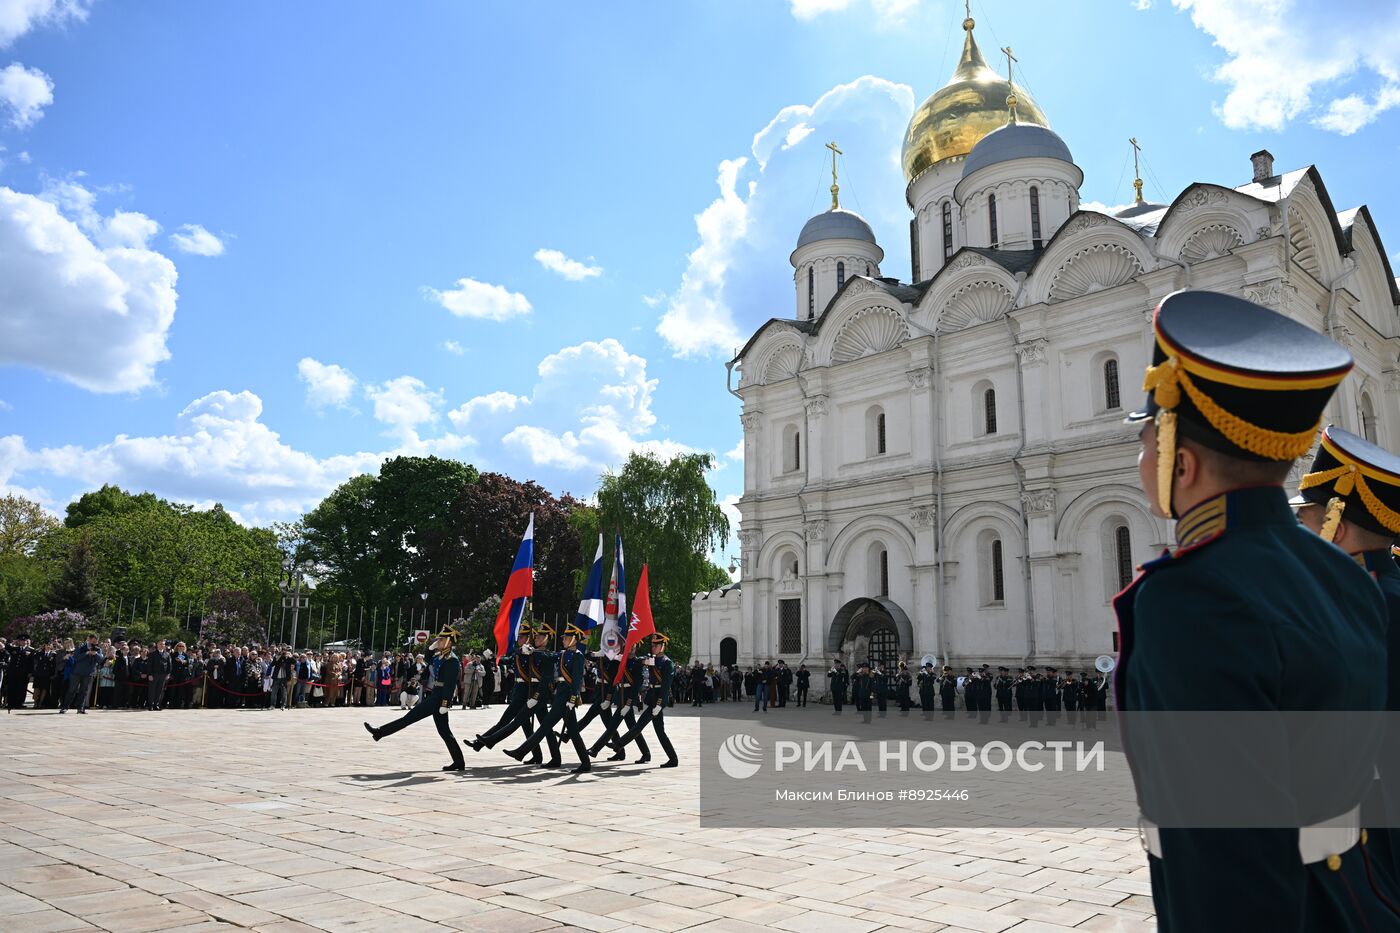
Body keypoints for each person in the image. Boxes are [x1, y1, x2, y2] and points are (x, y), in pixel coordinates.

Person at [1115, 290, 1397, 930]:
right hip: (1355, 898)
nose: (1140, 463)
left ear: (1179, 464)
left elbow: (1228, 851)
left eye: (1145, 443)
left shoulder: (1191, 597)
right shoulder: (1340, 576)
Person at [1292, 425, 1400, 886]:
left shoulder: (1373, 602)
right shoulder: (1376, 591)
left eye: (1311, 519)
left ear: (1338, 522)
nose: (1304, 529)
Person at [364, 626, 466, 772]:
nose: (439, 641)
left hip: (439, 698)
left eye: (442, 639)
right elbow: (429, 659)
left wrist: (445, 703)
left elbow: (450, 685)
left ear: (450, 642)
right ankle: (459, 762)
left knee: (409, 718)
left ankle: (379, 732)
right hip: (435, 693)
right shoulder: (441, 656)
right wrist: (431, 648)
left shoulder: (452, 660)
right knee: (444, 731)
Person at [505, 622, 592, 773]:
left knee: (545, 726)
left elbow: (577, 680)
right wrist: (531, 651)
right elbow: (548, 655)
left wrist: (573, 699)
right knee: (573, 732)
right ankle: (582, 762)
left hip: (565, 698)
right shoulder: (563, 654)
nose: (563, 640)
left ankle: (521, 751)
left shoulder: (578, 656)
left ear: (573, 639)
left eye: (566, 638)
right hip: (560, 695)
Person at [611, 633, 679, 768]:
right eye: (652, 645)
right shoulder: (651, 659)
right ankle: (673, 759)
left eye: (656, 646)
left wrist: (659, 704)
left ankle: (618, 744)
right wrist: (626, 658)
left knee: (639, 725)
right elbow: (638, 660)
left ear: (662, 647)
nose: (653, 648)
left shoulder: (667, 663)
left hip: (659, 698)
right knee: (660, 732)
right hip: (652, 695)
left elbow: (666, 686)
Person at [60, 633, 103, 714]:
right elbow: (75, 658)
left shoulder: (97, 649)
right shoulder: (81, 647)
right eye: (93, 641)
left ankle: (80, 708)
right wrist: (86, 653)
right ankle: (65, 707)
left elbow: (101, 660)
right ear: (89, 639)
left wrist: (95, 654)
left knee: (84, 691)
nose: (94, 643)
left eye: (96, 642)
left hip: (88, 673)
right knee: (72, 690)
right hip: (77, 672)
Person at [145, 641, 171, 711]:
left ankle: (156, 704)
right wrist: (149, 674)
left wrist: (168, 674)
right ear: (157, 645)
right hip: (154, 674)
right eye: (160, 644)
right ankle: (150, 705)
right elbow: (149, 665)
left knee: (159, 691)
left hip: (163, 675)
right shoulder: (152, 654)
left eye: (163, 644)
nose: (162, 645)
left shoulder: (167, 654)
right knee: (152, 690)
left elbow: (169, 665)